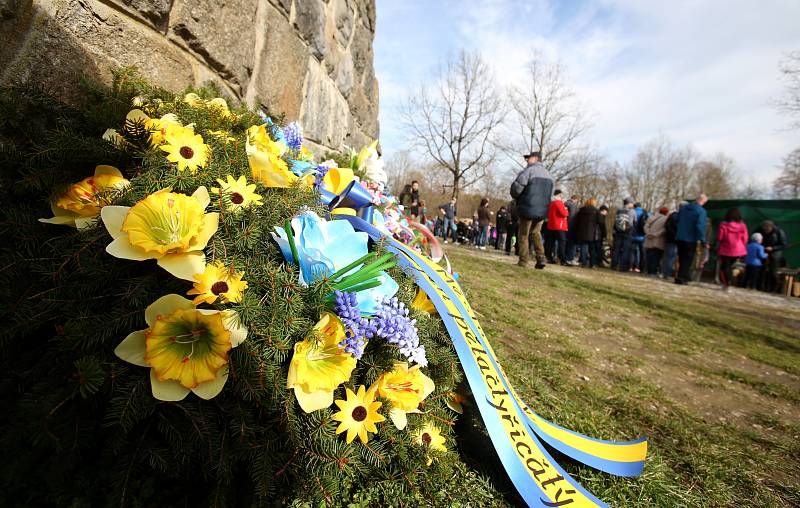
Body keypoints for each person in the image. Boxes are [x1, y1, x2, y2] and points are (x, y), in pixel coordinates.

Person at [509, 151, 554, 268]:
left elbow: (516, 189)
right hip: (542, 211)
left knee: (523, 234)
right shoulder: (549, 175)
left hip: (528, 207)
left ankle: (523, 261)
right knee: (536, 233)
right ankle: (541, 258)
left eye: (528, 158)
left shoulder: (528, 171)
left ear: (535, 158)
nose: (527, 161)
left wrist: (515, 197)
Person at [674, 194, 709, 285]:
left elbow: (676, 220)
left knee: (681, 257)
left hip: (679, 236)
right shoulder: (701, 211)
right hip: (690, 238)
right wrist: (702, 239)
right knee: (688, 259)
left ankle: (682, 275)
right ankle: (681, 277)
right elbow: (700, 226)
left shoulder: (683, 209)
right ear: (703, 201)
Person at [716, 208, 748, 290]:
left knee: (725, 267)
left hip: (725, 248)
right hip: (738, 249)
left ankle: (727, 283)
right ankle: (728, 283)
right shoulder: (743, 225)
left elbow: (720, 237)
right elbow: (745, 238)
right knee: (730, 266)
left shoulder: (723, 225)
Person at [611, 198, 637, 272]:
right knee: (626, 250)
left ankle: (614, 265)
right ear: (629, 203)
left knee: (616, 249)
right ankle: (623, 267)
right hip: (628, 232)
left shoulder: (619, 210)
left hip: (618, 232)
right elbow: (635, 222)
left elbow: (616, 221)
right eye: (632, 203)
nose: (633, 204)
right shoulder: (632, 211)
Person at [546, 190, 570, 265]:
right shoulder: (559, 203)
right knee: (562, 242)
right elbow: (564, 213)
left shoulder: (551, 203)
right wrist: (566, 210)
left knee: (550, 242)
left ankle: (549, 257)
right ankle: (562, 259)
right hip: (559, 226)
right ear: (559, 195)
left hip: (551, 225)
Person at [573, 198, 600, 267]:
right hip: (592, 232)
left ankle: (584, 262)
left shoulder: (581, 210)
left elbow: (576, 221)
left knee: (583, 247)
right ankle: (592, 263)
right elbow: (600, 222)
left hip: (582, 232)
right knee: (592, 248)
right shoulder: (596, 211)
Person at [643, 207, 669, 276]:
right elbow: (664, 229)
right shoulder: (666, 219)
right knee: (656, 257)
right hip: (658, 240)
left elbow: (645, 226)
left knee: (649, 256)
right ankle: (653, 271)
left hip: (649, 239)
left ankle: (647, 270)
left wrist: (648, 233)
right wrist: (655, 235)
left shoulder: (651, 217)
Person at [662, 207, 680, 279]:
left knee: (668, 257)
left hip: (669, 239)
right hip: (676, 239)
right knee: (673, 258)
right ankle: (670, 274)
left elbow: (666, 226)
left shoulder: (671, 216)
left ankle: (665, 273)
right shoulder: (681, 217)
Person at [631, 202, 648, 273]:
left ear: (634, 206)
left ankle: (631, 267)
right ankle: (641, 268)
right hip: (642, 236)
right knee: (642, 253)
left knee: (632, 252)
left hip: (633, 236)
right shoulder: (645, 212)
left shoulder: (632, 212)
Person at [564, 194, 580, 264]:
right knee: (571, 243)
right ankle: (569, 258)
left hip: (563, 226)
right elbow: (572, 217)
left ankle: (563, 257)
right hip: (570, 226)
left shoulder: (565, 203)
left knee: (564, 243)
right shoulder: (573, 205)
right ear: (576, 200)